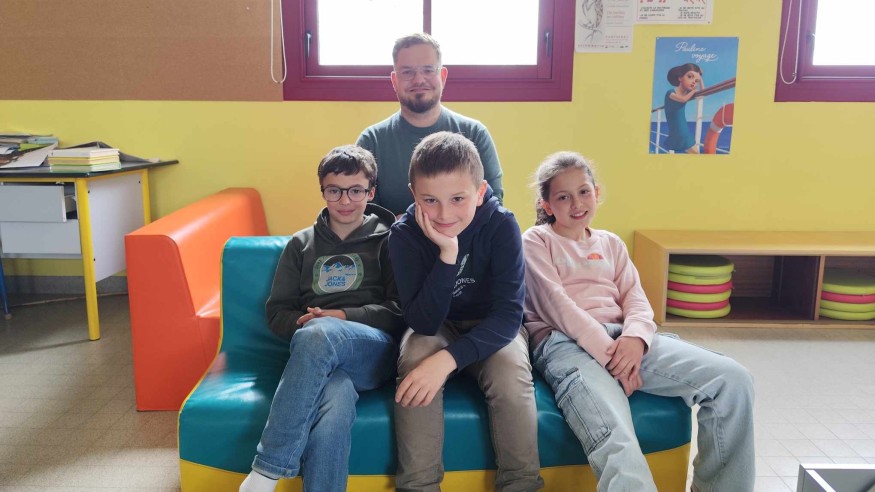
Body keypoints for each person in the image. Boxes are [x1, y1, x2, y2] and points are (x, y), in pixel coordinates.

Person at [522, 151, 755, 492]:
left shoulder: (611, 243)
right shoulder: (535, 241)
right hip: (565, 344)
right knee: (617, 437)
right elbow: (557, 306)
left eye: (584, 191)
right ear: (546, 205)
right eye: (563, 197)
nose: (577, 203)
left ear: (596, 192)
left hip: (624, 340)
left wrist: (635, 339)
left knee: (733, 380)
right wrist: (613, 358)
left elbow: (635, 299)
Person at [239, 145, 406, 492]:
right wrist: (305, 321)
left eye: (356, 190)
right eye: (334, 191)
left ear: (371, 192)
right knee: (335, 394)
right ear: (323, 191)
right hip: (317, 352)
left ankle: (267, 470)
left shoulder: (391, 241)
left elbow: (399, 311)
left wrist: (340, 317)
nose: (345, 201)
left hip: (372, 352)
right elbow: (278, 313)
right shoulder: (300, 244)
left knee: (321, 332)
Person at [388, 131, 543, 492]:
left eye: (458, 198)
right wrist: (447, 255)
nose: (444, 214)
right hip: (436, 326)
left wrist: (448, 360)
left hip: (492, 327)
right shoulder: (404, 235)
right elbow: (423, 321)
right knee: (417, 361)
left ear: (480, 191)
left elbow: (508, 316)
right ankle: (419, 486)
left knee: (510, 371)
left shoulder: (501, 224)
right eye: (430, 200)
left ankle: (520, 483)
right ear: (414, 195)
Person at [357, 32, 504, 216]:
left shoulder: (475, 134)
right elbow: (363, 217)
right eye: (407, 72)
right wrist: (407, 228)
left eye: (428, 70)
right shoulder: (371, 142)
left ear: (442, 76)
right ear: (394, 81)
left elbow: (494, 209)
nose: (419, 80)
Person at [663, 63, 704, 154]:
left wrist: (700, 78)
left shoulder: (687, 92)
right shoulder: (670, 93)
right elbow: (683, 100)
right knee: (694, 152)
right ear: (680, 78)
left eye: (696, 80)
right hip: (678, 128)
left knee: (691, 150)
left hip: (681, 126)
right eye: (690, 77)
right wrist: (694, 91)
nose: (694, 82)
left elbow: (703, 92)